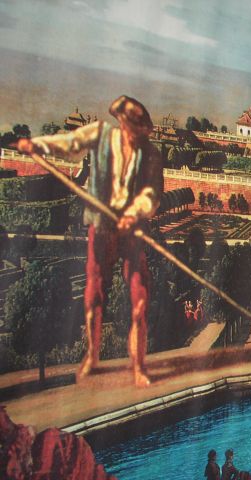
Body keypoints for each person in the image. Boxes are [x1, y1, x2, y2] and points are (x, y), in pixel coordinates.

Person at [17, 96, 163, 387]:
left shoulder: (150, 154)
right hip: (101, 225)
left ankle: (138, 365)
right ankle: (92, 356)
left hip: (131, 229)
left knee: (140, 296)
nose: (138, 136)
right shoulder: (100, 135)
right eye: (134, 129)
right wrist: (36, 145)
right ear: (123, 123)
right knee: (94, 291)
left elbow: (152, 194)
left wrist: (133, 213)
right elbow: (69, 143)